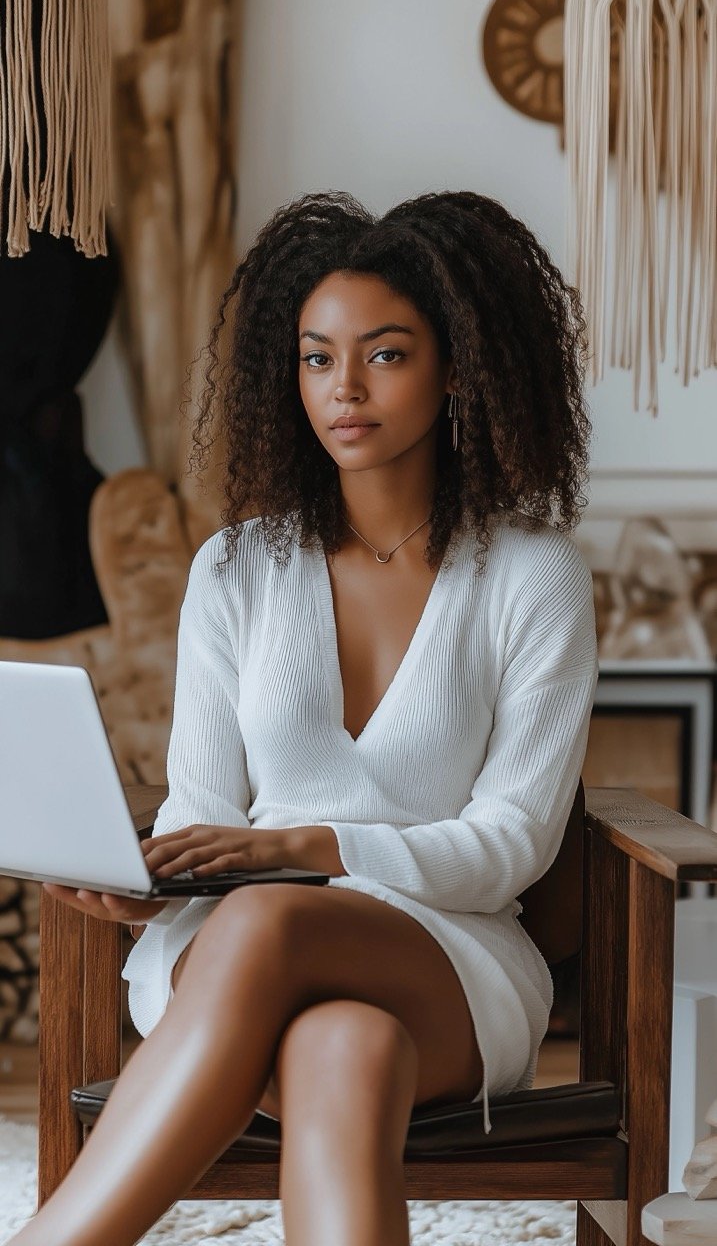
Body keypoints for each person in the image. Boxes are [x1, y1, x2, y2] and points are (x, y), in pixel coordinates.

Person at [13, 190, 599, 1246]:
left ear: (459, 365)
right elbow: (202, 804)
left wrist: (305, 844)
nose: (344, 388)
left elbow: (512, 846)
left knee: (277, 919)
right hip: (232, 955)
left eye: (384, 354)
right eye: (316, 357)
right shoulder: (235, 567)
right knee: (345, 1048)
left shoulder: (532, 573)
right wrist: (150, 885)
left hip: (448, 959)